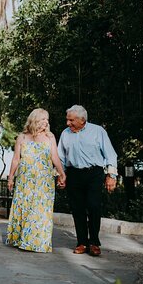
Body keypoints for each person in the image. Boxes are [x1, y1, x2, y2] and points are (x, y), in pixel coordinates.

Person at [57, 105, 118, 257]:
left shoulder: (98, 131)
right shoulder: (65, 133)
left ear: (82, 120)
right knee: (77, 209)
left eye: (71, 120)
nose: (68, 123)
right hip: (73, 174)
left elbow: (110, 154)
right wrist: (60, 175)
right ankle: (82, 242)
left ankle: (94, 242)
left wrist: (111, 176)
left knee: (94, 206)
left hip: (94, 173)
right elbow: (60, 157)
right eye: (67, 120)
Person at [5, 108, 66, 253]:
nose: (46, 122)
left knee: (41, 210)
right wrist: (11, 177)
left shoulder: (50, 137)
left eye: (47, 119)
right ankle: (22, 239)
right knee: (25, 207)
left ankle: (37, 242)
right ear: (34, 120)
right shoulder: (22, 137)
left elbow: (55, 157)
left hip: (44, 181)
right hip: (25, 180)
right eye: (43, 119)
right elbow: (16, 159)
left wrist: (62, 173)